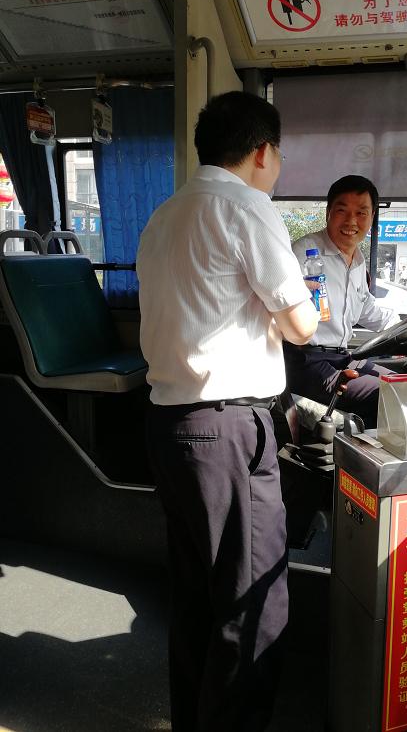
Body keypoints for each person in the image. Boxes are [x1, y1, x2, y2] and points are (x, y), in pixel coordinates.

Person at [136, 91, 319, 732]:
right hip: (227, 431)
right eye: (279, 155)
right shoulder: (246, 207)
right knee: (253, 604)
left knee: (195, 598)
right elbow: (301, 325)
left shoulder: (164, 214)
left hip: (170, 425)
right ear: (262, 151)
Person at [284, 174, 398, 428]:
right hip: (305, 361)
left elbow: (366, 309)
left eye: (361, 213)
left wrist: (406, 327)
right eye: (342, 211)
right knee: (387, 398)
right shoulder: (303, 252)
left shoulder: (357, 261)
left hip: (344, 357)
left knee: (406, 387)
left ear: (372, 217)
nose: (351, 221)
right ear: (328, 213)